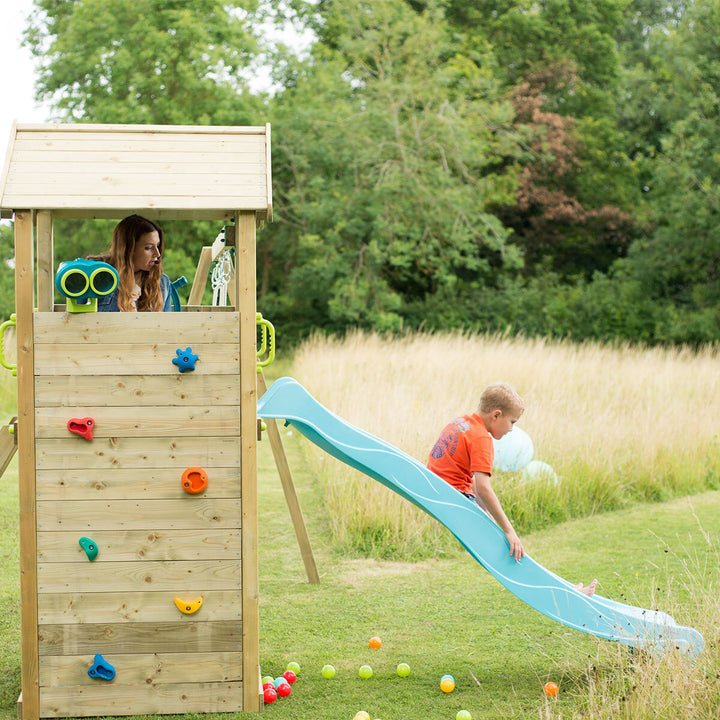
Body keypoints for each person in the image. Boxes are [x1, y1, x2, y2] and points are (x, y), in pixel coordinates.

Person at [427, 382, 598, 596]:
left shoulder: (460, 423)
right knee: (510, 551)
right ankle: (565, 593)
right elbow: (484, 488)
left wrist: (486, 514)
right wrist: (509, 530)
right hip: (457, 500)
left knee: (506, 546)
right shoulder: (481, 438)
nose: (511, 429)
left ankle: (566, 588)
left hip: (445, 492)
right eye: (512, 422)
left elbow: (464, 479)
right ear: (496, 415)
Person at [91, 214, 172, 312]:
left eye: (157, 246)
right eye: (148, 248)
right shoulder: (97, 275)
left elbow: (167, 325)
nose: (157, 254)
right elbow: (73, 319)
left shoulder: (162, 282)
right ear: (129, 249)